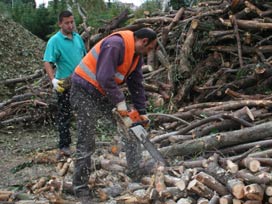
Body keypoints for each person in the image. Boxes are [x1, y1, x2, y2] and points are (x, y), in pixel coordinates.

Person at [70, 28, 157, 202]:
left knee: (131, 128)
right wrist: (120, 103)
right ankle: (80, 188)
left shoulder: (135, 56)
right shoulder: (116, 44)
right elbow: (104, 77)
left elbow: (137, 84)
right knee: (86, 139)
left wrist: (141, 113)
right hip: (84, 90)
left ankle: (135, 170)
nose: (149, 53)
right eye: (149, 49)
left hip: (102, 92)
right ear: (144, 41)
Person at [43, 10, 86, 159]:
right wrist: (53, 80)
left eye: (72, 22)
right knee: (64, 115)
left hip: (80, 82)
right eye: (67, 23)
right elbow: (47, 61)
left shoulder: (78, 38)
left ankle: (84, 143)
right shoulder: (55, 41)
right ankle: (64, 146)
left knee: (84, 113)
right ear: (60, 23)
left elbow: (85, 58)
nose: (70, 25)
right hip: (64, 84)